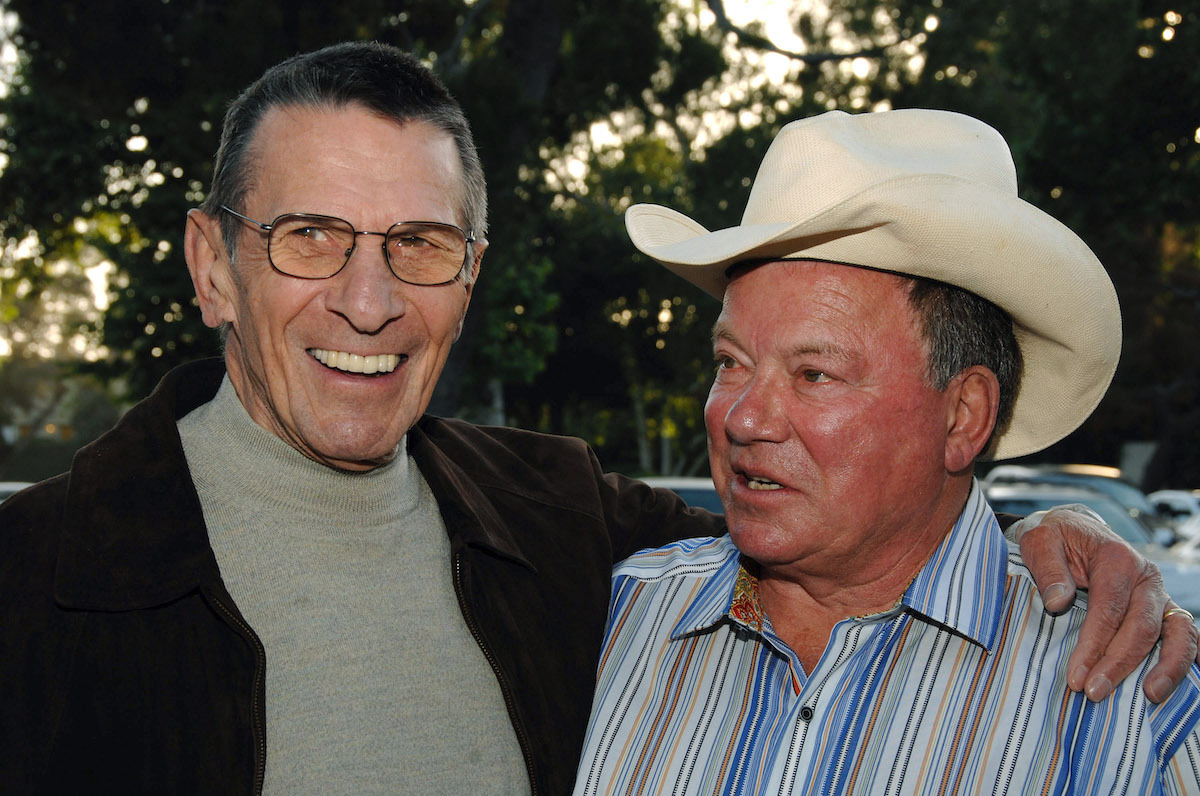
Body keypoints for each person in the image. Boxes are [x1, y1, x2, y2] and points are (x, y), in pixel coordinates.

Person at [0, 44, 1190, 795]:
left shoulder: (572, 542)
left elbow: (883, 535)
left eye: (418, 245)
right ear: (212, 267)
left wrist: (1073, 534)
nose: (367, 300)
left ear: (469, 278)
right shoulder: (32, 585)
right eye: (308, 236)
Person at [573, 108, 1200, 794]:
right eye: (730, 361)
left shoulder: (1143, 709)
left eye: (814, 374)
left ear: (963, 416)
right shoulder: (604, 626)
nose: (744, 416)